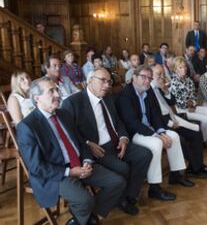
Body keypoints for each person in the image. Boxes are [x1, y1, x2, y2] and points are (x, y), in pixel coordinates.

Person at [17, 76, 126, 225]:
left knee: (117, 182)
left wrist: (87, 161)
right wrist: (70, 172)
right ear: (37, 98)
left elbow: (81, 143)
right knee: (85, 200)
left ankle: (89, 218)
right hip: (55, 173)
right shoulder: (27, 126)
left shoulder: (64, 114)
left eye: (57, 89)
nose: (57, 94)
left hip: (79, 164)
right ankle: (84, 218)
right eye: (51, 91)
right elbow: (36, 167)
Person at [62, 68, 152, 215]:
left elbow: (118, 121)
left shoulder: (108, 98)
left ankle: (128, 195)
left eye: (109, 81)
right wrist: (86, 143)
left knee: (144, 154)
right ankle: (102, 207)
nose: (107, 85)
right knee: (122, 168)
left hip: (116, 141)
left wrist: (123, 137)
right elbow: (69, 133)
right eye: (102, 80)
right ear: (90, 81)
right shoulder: (73, 102)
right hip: (97, 149)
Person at [117, 65, 195, 201]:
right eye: (143, 77)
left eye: (149, 78)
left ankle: (176, 175)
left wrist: (161, 131)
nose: (147, 81)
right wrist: (156, 135)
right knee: (157, 144)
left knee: (174, 136)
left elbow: (155, 114)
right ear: (133, 78)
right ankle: (154, 187)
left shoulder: (149, 91)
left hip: (151, 129)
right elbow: (131, 122)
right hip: (135, 132)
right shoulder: (125, 95)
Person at [150, 64, 207, 178]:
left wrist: (165, 90)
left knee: (196, 131)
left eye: (162, 73)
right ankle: (197, 168)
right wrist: (172, 123)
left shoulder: (160, 86)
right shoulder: (149, 90)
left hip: (172, 118)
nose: (162, 76)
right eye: (158, 74)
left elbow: (172, 102)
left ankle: (195, 167)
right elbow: (154, 115)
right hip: (163, 123)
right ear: (150, 75)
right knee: (181, 139)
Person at [169, 57, 207, 149]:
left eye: (184, 67)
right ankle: (204, 140)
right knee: (205, 119)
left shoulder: (188, 80)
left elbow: (194, 96)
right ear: (175, 69)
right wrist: (188, 104)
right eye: (180, 67)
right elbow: (177, 102)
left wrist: (192, 103)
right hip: (181, 111)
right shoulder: (174, 82)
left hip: (190, 107)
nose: (184, 69)